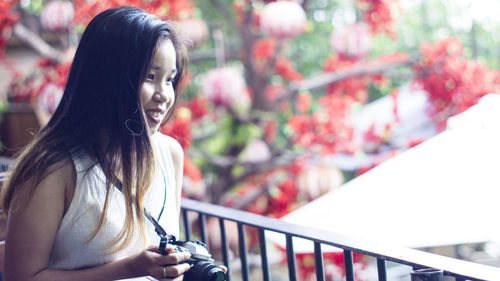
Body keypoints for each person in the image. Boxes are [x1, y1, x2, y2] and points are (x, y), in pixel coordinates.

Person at [0, 6, 203, 281]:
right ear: (109, 78)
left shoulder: (170, 153)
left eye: (170, 79)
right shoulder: (53, 168)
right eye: (150, 77)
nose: (164, 95)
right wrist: (130, 268)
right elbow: (22, 277)